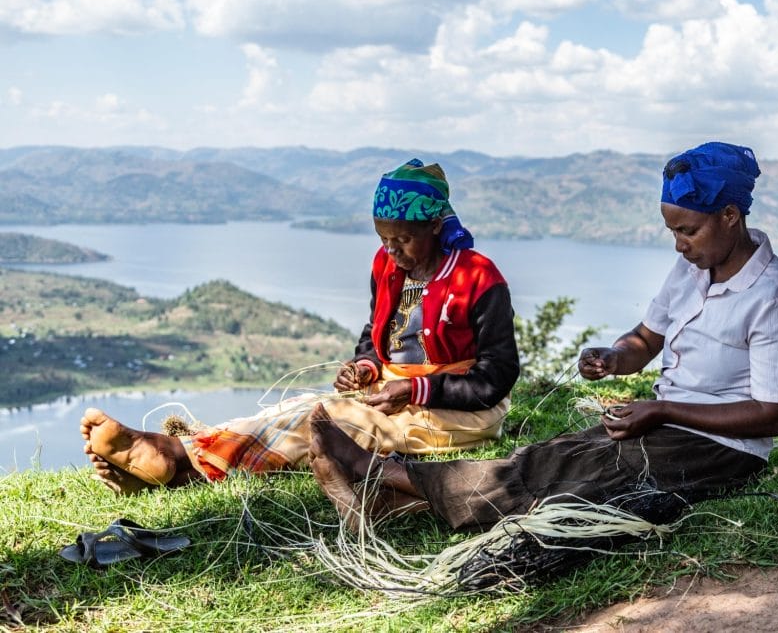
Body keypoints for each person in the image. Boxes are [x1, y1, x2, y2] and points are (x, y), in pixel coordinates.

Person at [306, 141, 778, 533]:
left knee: (583, 479)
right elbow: (644, 339)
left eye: (688, 231)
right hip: (672, 425)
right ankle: (395, 501)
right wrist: (614, 357)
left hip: (723, 449)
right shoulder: (692, 271)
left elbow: (772, 415)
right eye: (673, 232)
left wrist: (663, 411)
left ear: (730, 217)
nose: (679, 245)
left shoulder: (777, 298)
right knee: (557, 454)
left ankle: (387, 475)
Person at [80, 159, 520, 493]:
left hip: (464, 413)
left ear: (436, 227)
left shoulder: (478, 278)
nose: (393, 251)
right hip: (394, 395)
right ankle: (178, 465)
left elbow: (497, 378)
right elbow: (377, 334)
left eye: (404, 239)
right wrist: (365, 366)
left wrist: (416, 390)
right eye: (384, 238)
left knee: (335, 422)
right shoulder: (387, 268)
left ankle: (177, 457)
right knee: (294, 410)